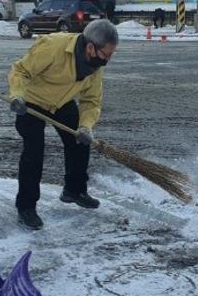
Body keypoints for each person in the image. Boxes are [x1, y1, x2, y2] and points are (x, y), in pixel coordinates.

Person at [7, 19, 119, 230]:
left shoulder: (95, 67)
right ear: (90, 47)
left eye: (112, 54)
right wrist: (17, 97)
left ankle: (74, 191)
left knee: (80, 141)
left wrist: (85, 127)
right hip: (30, 102)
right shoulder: (53, 46)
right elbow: (21, 70)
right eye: (106, 54)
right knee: (34, 151)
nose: (108, 59)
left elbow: (91, 101)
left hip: (61, 102)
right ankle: (26, 207)